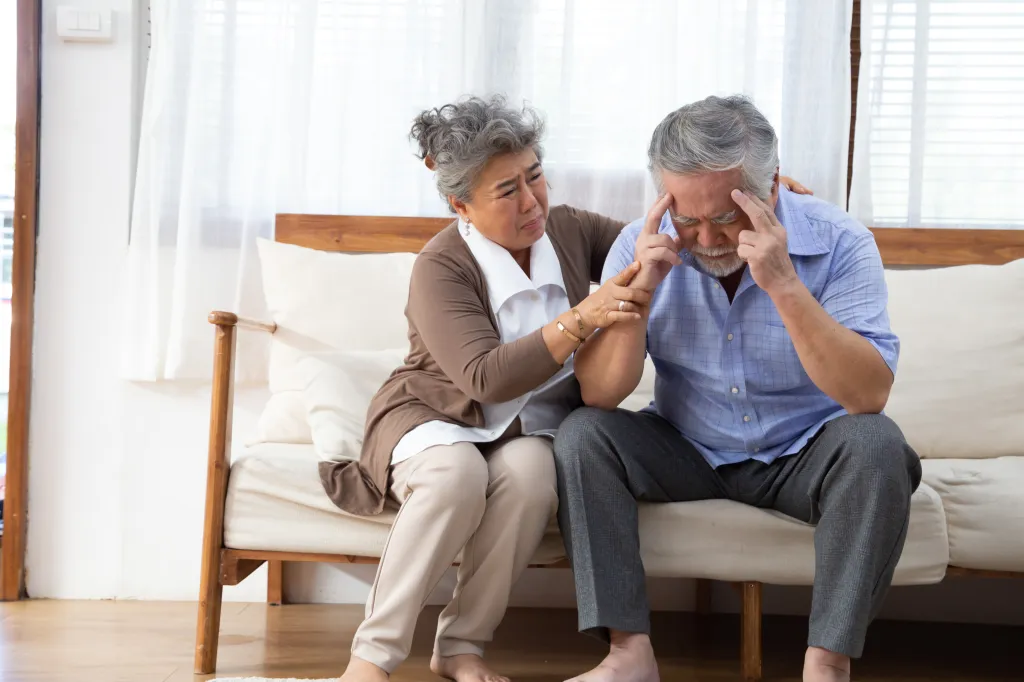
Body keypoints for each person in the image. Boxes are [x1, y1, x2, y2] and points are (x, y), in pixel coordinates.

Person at [322, 94, 812, 682]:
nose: (532, 202)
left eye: (534, 177)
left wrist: (752, 204)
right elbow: (486, 376)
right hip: (437, 416)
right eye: (507, 192)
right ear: (462, 206)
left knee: (531, 476)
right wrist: (588, 314)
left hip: (528, 427)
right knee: (456, 476)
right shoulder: (441, 266)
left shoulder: (571, 230)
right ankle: (369, 661)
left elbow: (666, 237)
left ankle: (460, 646)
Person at [554, 94, 922, 682]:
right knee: (582, 435)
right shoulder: (639, 245)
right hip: (685, 445)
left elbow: (867, 396)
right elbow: (600, 394)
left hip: (806, 453)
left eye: (725, 217)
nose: (705, 238)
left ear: (770, 188)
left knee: (878, 443)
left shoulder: (842, 242)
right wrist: (640, 293)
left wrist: (785, 287)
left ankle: (826, 664)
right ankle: (629, 655)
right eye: (686, 218)